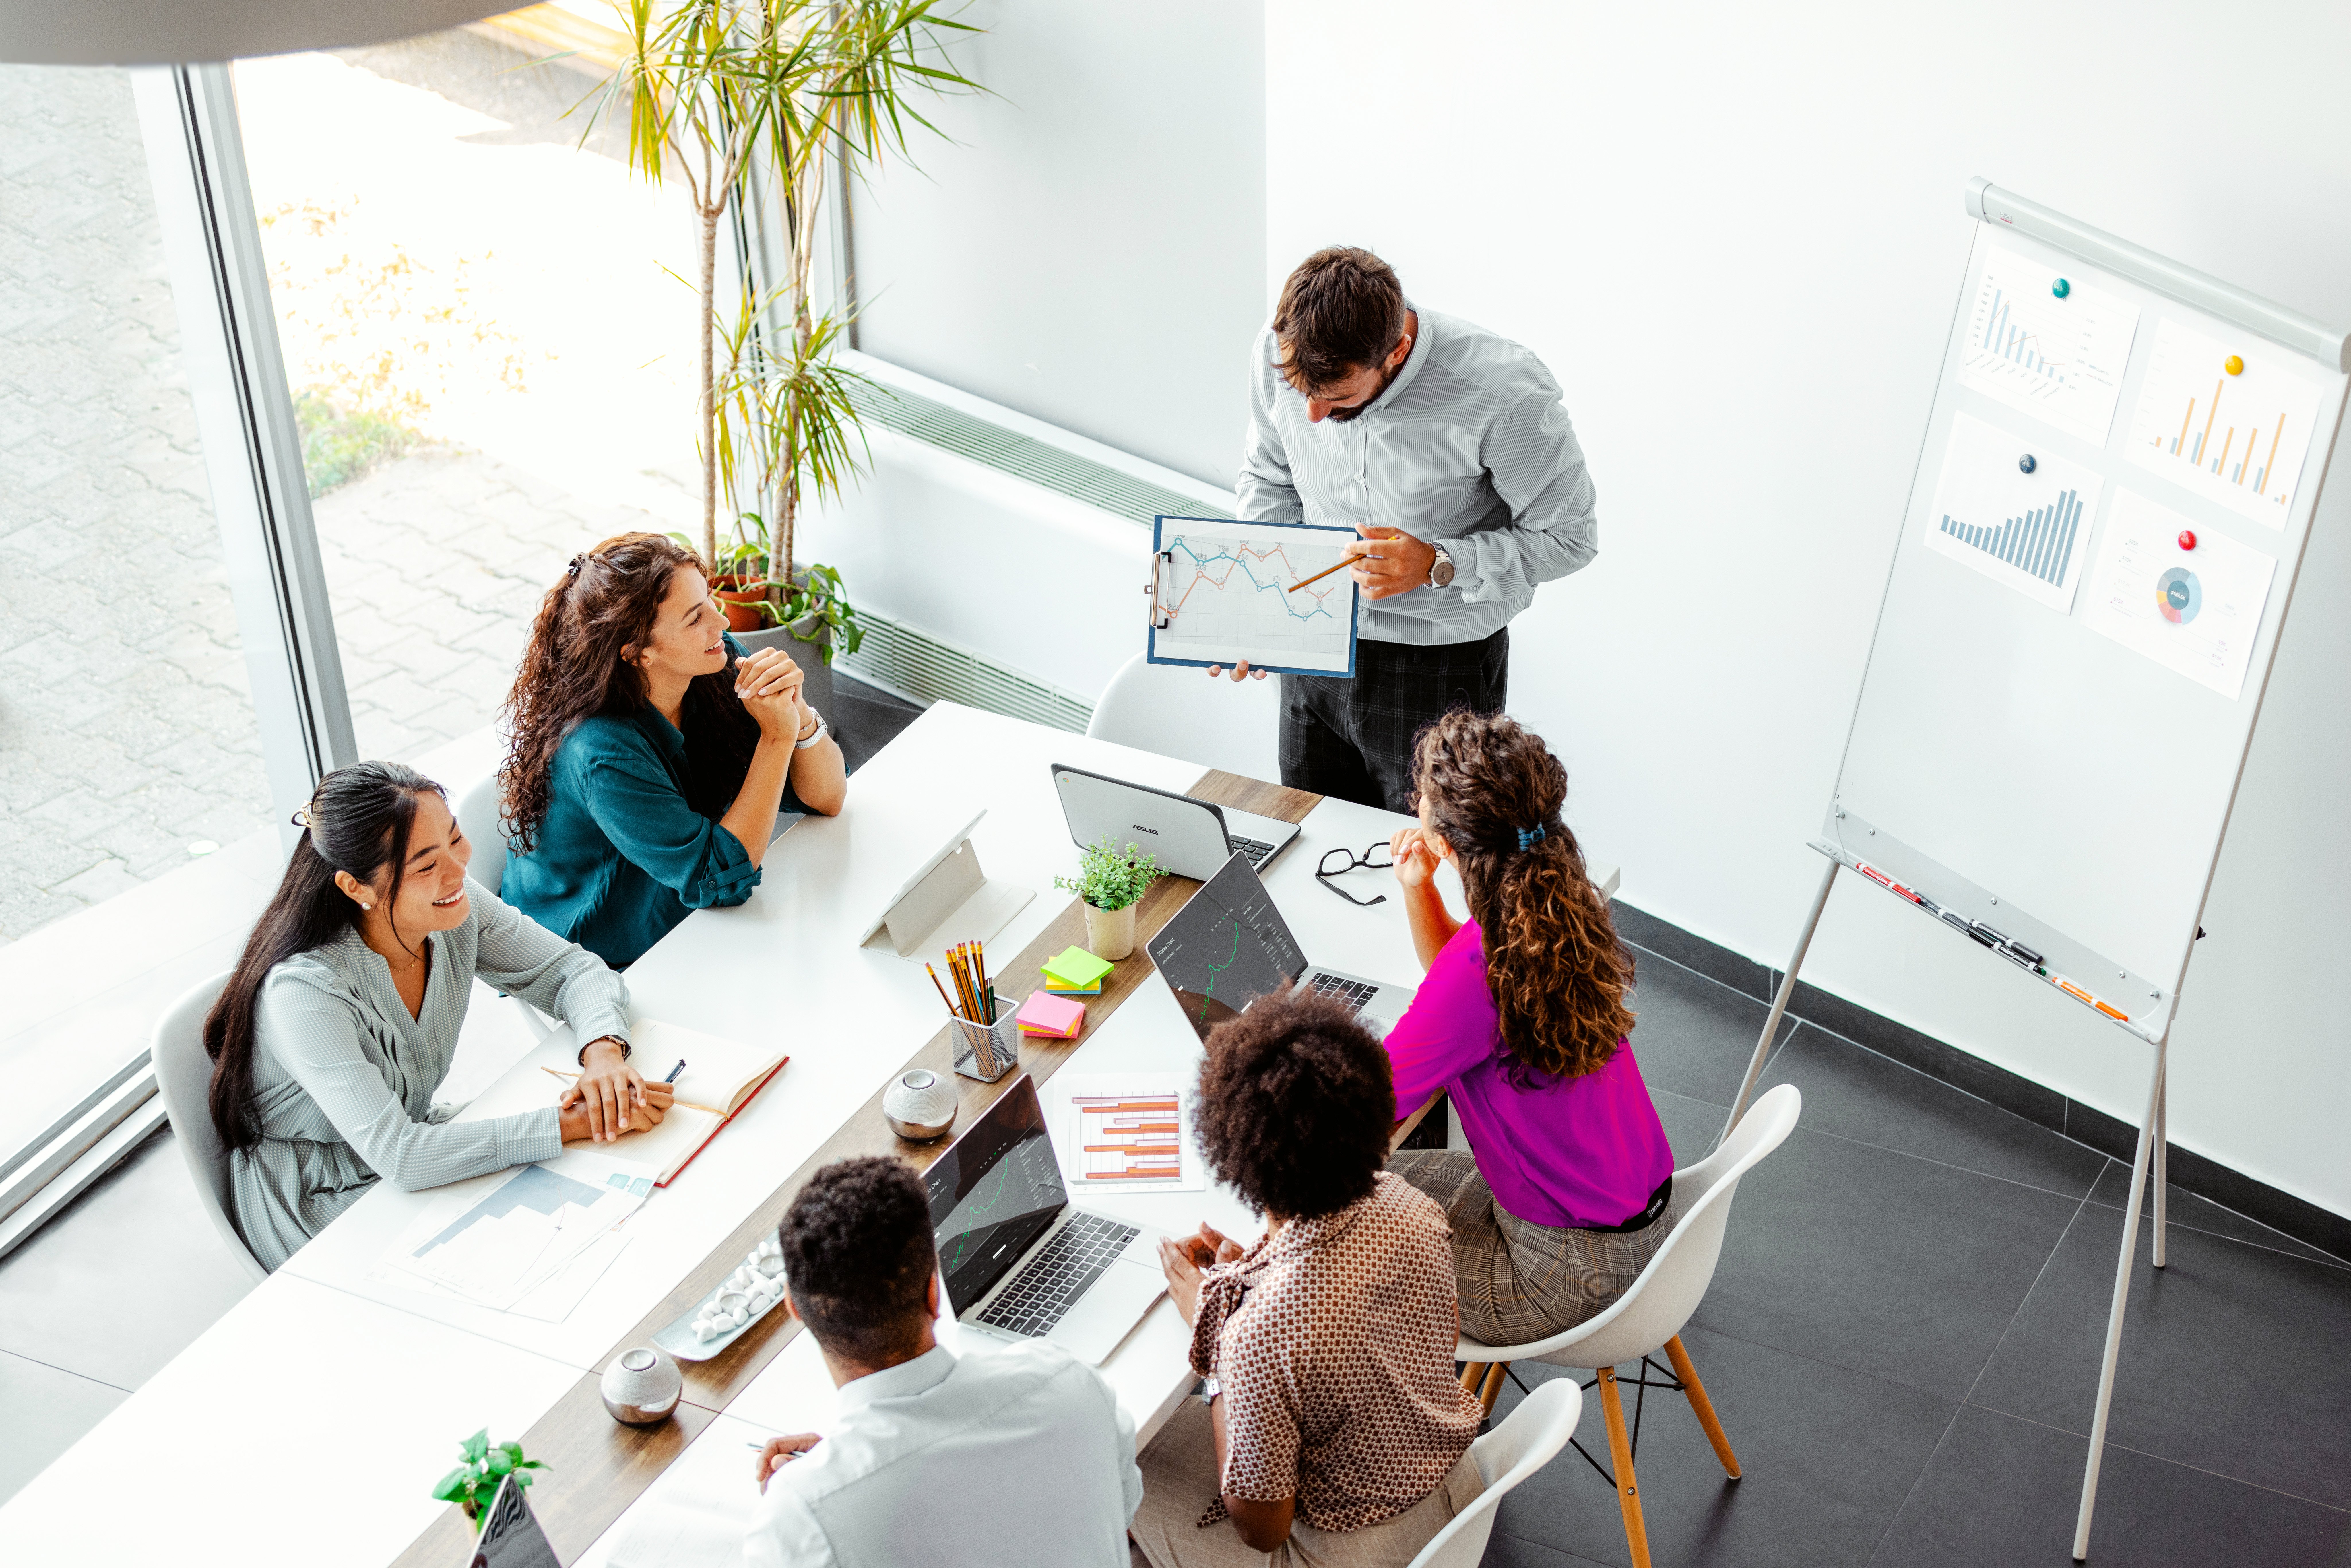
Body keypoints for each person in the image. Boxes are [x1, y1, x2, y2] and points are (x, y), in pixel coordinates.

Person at [205, 762, 668, 1272]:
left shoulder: (452, 907)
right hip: (323, 1200)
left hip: (414, 1144)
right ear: (356, 887)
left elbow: (571, 971)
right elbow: (400, 1155)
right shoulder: (304, 992)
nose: (456, 872)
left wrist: (602, 1053)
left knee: (609, 1210)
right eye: (425, 866)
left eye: (456, 840)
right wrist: (573, 1124)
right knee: (545, 1252)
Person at [1206, 246, 1599, 814]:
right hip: (1315, 653)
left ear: (1396, 351)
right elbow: (1269, 474)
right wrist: (1260, 615)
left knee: (1432, 865)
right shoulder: (1277, 352)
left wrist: (1438, 562)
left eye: (1336, 397)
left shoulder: (1504, 393)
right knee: (1310, 836)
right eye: (1301, 393)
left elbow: (1570, 537)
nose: (1312, 415)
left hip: (1440, 672)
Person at [1134, 990, 1483, 1568]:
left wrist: (1224, 1342)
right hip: (1458, 1494)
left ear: (1235, 1155)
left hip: (1350, 1553)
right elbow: (1437, 1341)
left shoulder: (1258, 1338)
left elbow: (1262, 1529)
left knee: (1123, 1466)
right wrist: (1261, 1274)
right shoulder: (1410, 1206)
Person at [1382, 710, 1675, 1346]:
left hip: (1558, 1274)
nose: (1416, 806)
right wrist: (1417, 891)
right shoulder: (1556, 903)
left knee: (1331, 1240)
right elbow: (1468, 1002)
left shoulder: (1480, 966)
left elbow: (1365, 1104)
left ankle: (1411, 1425)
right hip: (1637, 1218)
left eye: (1422, 799)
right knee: (1384, 1180)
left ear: (1449, 841)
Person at [744, 1156, 1142, 1568]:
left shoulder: (801, 1519)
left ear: (795, 1309)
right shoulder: (1067, 1382)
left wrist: (832, 1485)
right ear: (934, 1294)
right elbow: (1122, 1511)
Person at [499, 532, 847, 969]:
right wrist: (777, 738)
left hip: (679, 900)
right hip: (595, 950)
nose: (721, 624)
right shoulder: (604, 754)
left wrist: (797, 712)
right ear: (637, 653)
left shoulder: (712, 666)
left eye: (711, 602)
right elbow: (721, 882)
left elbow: (827, 797)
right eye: (694, 618)